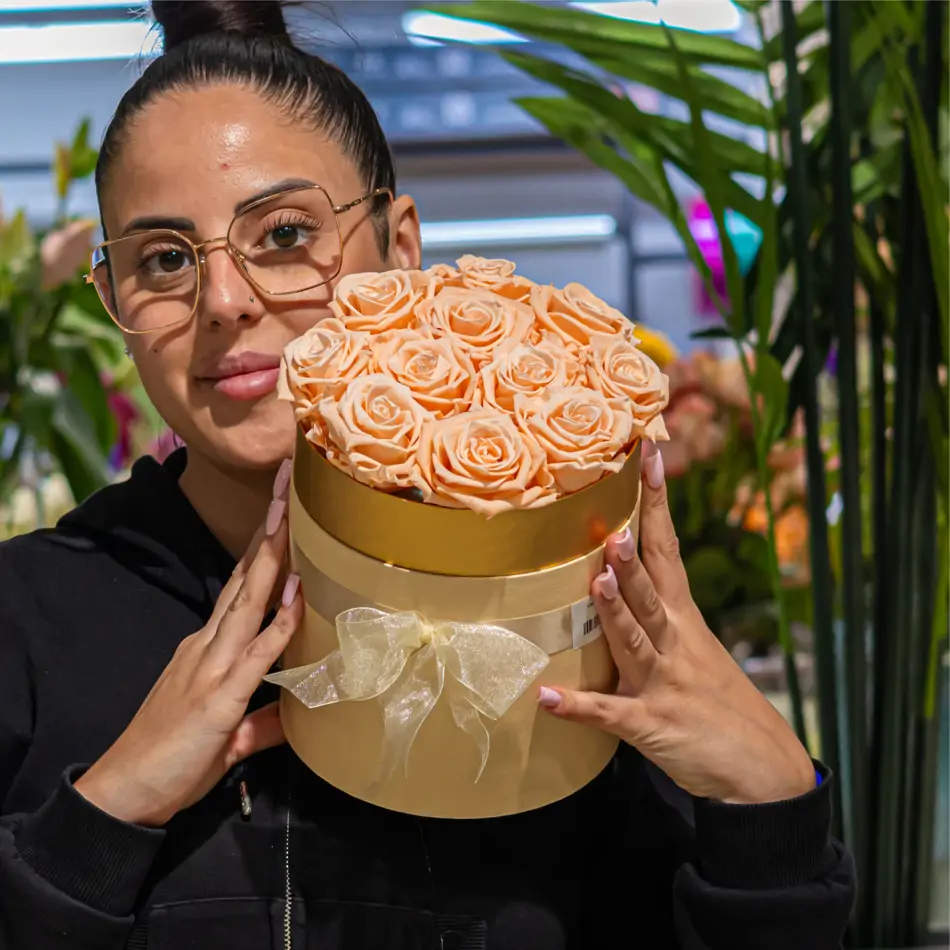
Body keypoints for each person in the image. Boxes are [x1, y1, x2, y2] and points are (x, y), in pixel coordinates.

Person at [0, 3, 855, 948]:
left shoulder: (574, 605)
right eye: (163, 259)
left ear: (399, 250)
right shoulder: (29, 617)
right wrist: (112, 809)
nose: (226, 302)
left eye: (284, 236)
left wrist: (771, 815)